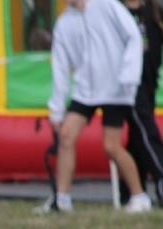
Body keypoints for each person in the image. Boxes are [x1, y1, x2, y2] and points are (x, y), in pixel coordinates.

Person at [39, 0, 151, 214]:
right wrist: (57, 109)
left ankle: (139, 196)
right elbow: (61, 67)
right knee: (66, 136)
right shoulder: (64, 23)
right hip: (86, 91)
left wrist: (128, 74)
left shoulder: (106, 5)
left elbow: (133, 36)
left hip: (116, 88)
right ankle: (62, 199)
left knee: (111, 146)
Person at [122, 0, 163, 202]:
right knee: (146, 129)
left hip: (149, 82)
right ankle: (160, 175)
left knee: (137, 135)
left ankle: (129, 191)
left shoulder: (154, 11)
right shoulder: (118, 11)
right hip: (130, 83)